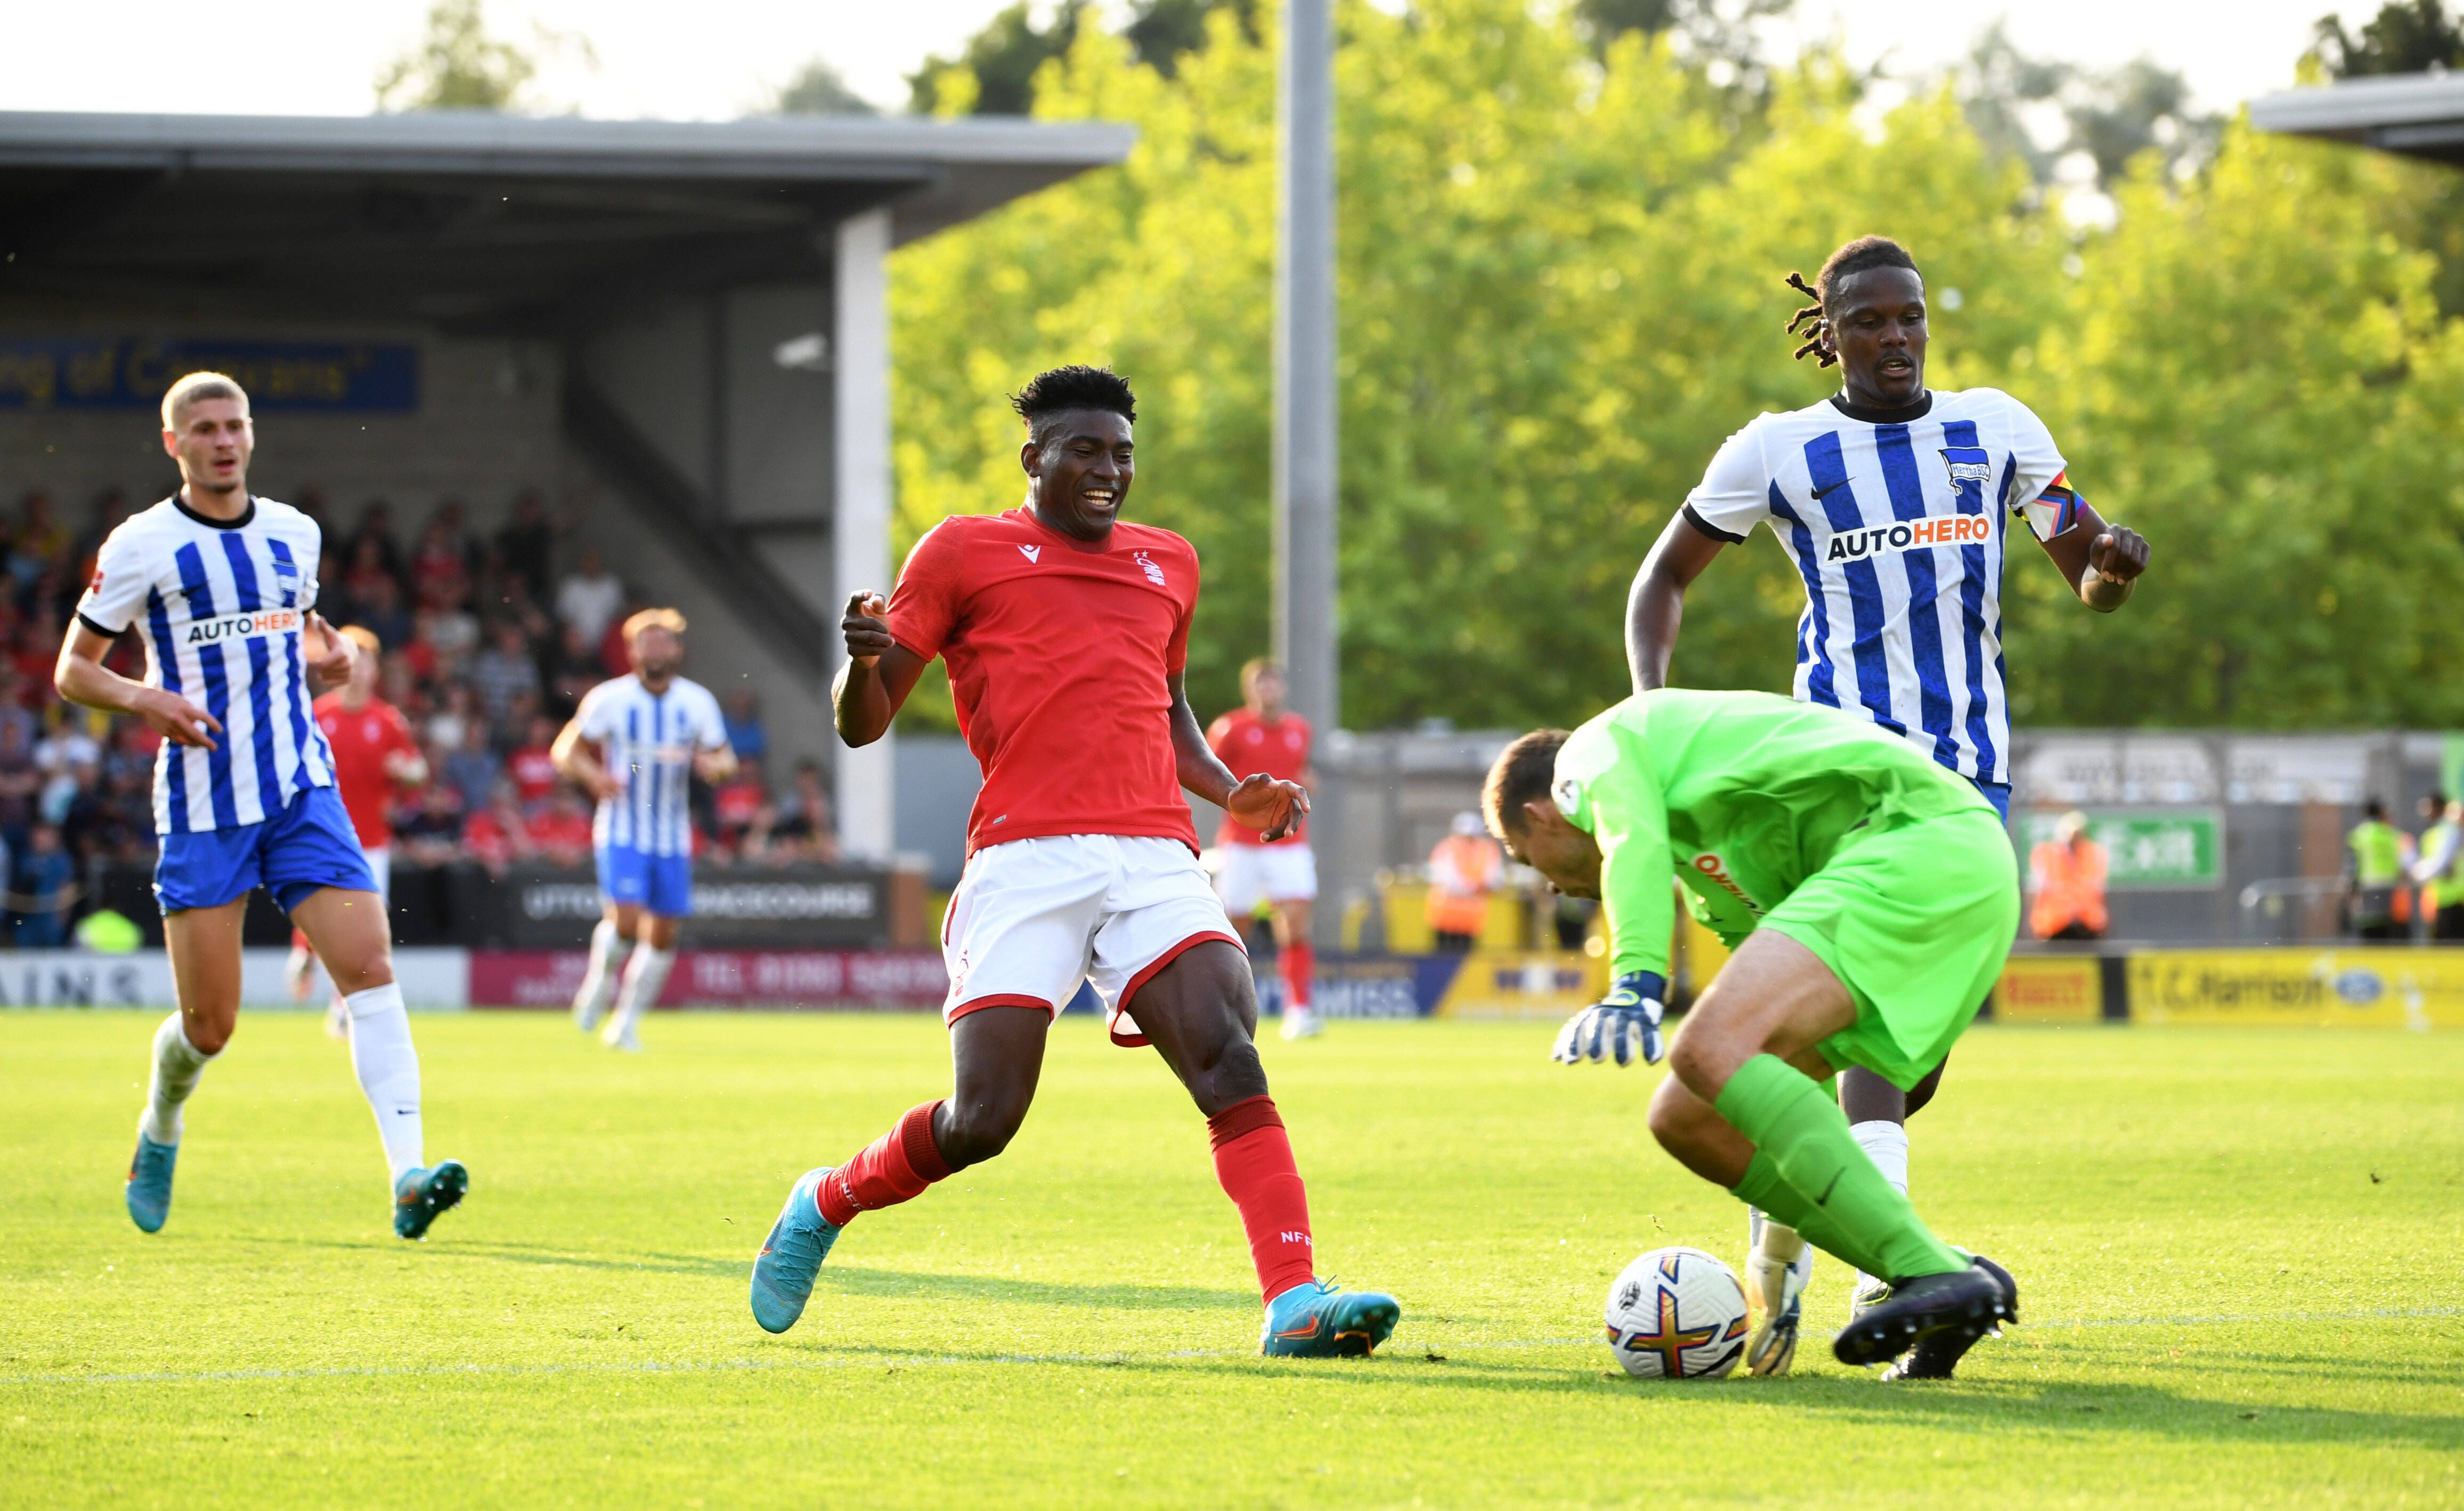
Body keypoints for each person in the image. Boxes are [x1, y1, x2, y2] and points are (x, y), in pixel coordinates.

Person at [749, 365, 1400, 1356]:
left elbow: (1167, 706)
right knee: (984, 1118)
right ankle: (826, 1199)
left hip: (1152, 849)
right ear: (1035, 459)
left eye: (1125, 454)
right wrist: (863, 657)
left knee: (1229, 1044)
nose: (1111, 471)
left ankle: (1294, 1297)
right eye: (1088, 451)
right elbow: (863, 724)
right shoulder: (964, 550)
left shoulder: (1169, 562)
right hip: (1024, 856)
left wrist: (1233, 791)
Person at [1624, 235, 2151, 1338]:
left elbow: (2081, 574)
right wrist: (1649, 710)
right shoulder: (1775, 451)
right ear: (1829, 335)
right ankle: (1888, 1266)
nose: (1895, 337)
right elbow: (1659, 579)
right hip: (1836, 775)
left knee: (1906, 1061)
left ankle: (1781, 1249)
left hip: (1967, 776)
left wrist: (2108, 570)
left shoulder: (1995, 429)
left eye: (1908, 315)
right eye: (1867, 320)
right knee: (1866, 1024)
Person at [1484, 690, 2020, 1380]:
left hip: (1914, 842)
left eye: (1529, 862)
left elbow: (1630, 840)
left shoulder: (1592, 750)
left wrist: (1636, 984)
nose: (1551, 889)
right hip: (1950, 873)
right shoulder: (1713, 866)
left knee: (1702, 1048)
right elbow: (1791, 1093)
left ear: (1541, 815)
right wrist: (1777, 1265)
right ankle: (1945, 1278)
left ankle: (1924, 1270)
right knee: (1687, 1115)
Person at [57, 371, 466, 1241]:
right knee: (211, 1027)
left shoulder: (295, 532)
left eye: (234, 425)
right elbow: (73, 669)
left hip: (300, 790)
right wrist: (150, 699)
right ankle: (160, 1126)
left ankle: (408, 1175)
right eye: (203, 429)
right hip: (205, 804)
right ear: (174, 444)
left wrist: (323, 660)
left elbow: (297, 628)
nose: (223, 441)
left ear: (252, 433)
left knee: (370, 970)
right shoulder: (142, 544)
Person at [553, 607, 735, 1052]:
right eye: (646, 642)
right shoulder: (610, 698)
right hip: (622, 828)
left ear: (677, 649)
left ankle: (626, 1024)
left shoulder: (696, 702)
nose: (655, 650)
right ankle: (599, 983)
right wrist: (594, 777)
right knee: (628, 919)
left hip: (672, 834)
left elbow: (726, 759)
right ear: (632, 650)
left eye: (663, 642)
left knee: (664, 934)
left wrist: (715, 767)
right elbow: (565, 750)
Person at [284, 625, 428, 1038]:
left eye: (368, 663)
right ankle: (304, 947)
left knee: (364, 932)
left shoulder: (387, 721)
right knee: (326, 917)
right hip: (322, 835)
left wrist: (408, 772)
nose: (362, 671)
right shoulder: (318, 715)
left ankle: (342, 1005)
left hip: (372, 843)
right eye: (354, 661)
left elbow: (417, 772)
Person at [1205, 658, 1324, 1040]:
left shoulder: (1299, 731)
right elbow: (1209, 774)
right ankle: (1224, 1007)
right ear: (1249, 690)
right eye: (1261, 684)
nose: (1268, 691)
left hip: (1289, 842)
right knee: (1234, 925)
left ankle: (1299, 1010)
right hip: (1242, 843)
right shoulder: (1230, 729)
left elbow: (1298, 772)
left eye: (1273, 684)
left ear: (1283, 689)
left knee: (1295, 920)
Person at [1425, 811, 1504, 952]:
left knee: (1465, 958)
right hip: (1445, 918)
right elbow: (1445, 880)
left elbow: (1495, 880)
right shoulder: (1447, 848)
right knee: (1443, 956)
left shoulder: (1488, 850)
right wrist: (1475, 888)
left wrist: (1475, 888)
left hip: (1471, 920)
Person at [2027, 811, 2109, 942]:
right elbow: (2037, 890)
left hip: (2088, 926)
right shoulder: (2047, 854)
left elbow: (2100, 891)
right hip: (2054, 925)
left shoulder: (2094, 854)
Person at [2347, 799, 2406, 942]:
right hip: (2391, 887)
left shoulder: (2360, 834)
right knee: (2388, 928)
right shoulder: (2392, 834)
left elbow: (2353, 864)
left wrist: (2351, 888)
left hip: (2369, 886)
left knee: (2369, 927)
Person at [2413, 795, 2464, 942]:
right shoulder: (2437, 833)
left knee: (2450, 949)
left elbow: (2440, 863)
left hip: (2453, 900)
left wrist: (2417, 874)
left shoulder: (2448, 832)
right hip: (2440, 898)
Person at [556, 547, 625, 647]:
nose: (591, 564)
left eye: (594, 560)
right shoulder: (571, 585)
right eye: (588, 560)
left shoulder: (611, 584)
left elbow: (619, 616)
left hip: (607, 645)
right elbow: (563, 618)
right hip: (578, 646)